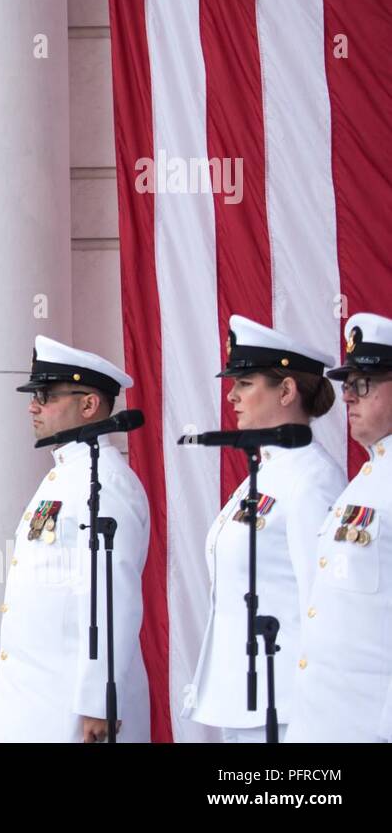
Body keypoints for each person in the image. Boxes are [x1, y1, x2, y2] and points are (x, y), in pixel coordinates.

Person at [182, 316, 345, 742]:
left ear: (287, 390)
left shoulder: (312, 478)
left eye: (246, 383)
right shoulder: (265, 472)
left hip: (288, 706)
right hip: (245, 701)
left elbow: (322, 603)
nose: (232, 396)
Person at [0, 336, 151, 742]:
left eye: (45, 394)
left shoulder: (106, 481)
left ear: (89, 404)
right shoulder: (64, 475)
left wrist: (100, 701)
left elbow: (114, 595)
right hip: (34, 701)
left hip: (72, 710)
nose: (33, 405)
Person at [288, 312, 392, 742]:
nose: (348, 397)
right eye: (347, 385)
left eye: (362, 384)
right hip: (328, 719)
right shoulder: (367, 480)